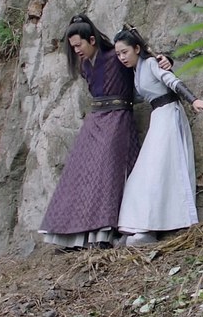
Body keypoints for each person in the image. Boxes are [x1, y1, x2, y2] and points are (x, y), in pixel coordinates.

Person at [38, 14, 171, 250]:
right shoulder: (84, 66)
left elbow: (142, 60)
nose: (76, 50)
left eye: (79, 45)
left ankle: (104, 233)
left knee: (108, 172)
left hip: (118, 119)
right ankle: (77, 236)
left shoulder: (115, 57)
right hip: (95, 120)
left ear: (91, 40)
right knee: (80, 172)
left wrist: (165, 60)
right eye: (73, 47)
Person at [113, 29, 203, 245]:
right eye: (118, 54)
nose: (122, 57)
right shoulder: (136, 71)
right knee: (147, 171)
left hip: (169, 114)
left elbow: (171, 80)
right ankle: (139, 225)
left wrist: (193, 100)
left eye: (124, 52)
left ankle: (150, 227)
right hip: (158, 117)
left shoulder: (150, 63)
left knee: (158, 170)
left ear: (137, 49)